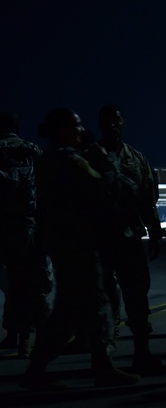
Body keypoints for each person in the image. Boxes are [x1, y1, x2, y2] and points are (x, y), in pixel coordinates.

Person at [20, 108, 139, 390]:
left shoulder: (51, 159)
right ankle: (101, 367)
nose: (80, 130)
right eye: (75, 125)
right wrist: (101, 156)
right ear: (61, 130)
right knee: (95, 305)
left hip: (69, 242)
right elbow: (111, 186)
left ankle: (41, 368)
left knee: (72, 309)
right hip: (79, 243)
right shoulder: (70, 159)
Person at [84, 104, 163, 373]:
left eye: (116, 120)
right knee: (103, 300)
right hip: (99, 240)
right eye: (106, 121)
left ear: (124, 123)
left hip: (129, 239)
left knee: (137, 296)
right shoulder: (90, 156)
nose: (112, 125)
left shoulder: (137, 158)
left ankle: (142, 351)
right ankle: (104, 359)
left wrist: (154, 232)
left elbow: (147, 199)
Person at [0, 111, 48, 358]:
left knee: (10, 284)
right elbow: (46, 188)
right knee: (28, 281)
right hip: (26, 225)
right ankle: (25, 339)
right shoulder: (32, 150)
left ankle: (12, 335)